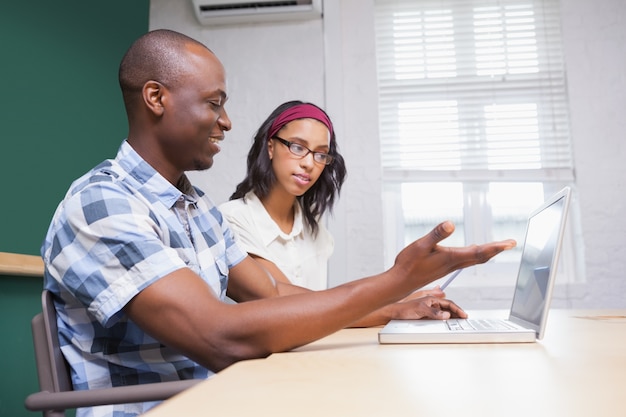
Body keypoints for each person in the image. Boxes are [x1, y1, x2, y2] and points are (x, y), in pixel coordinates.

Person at [41, 29, 516, 417]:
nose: (226, 121)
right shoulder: (102, 204)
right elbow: (219, 338)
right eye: (213, 102)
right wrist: (396, 281)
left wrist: (396, 303)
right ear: (155, 97)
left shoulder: (199, 209)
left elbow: (274, 295)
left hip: (219, 397)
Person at [219, 100, 442, 297]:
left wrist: (401, 298)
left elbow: (323, 309)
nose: (309, 163)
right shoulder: (232, 219)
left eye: (320, 154)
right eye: (297, 147)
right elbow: (291, 304)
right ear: (270, 147)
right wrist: (397, 297)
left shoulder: (312, 223)